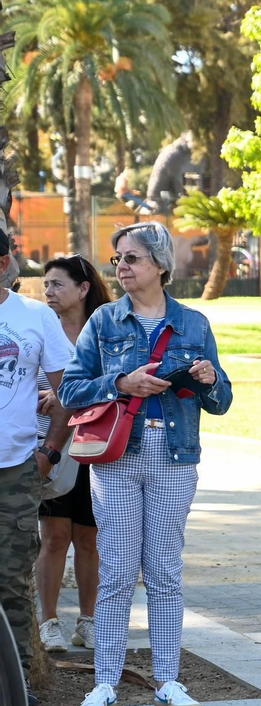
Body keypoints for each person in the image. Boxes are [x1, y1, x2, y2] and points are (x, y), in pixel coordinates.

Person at [60, 224, 232, 706]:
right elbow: (72, 390)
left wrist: (208, 378)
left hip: (174, 456)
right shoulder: (104, 322)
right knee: (115, 570)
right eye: (117, 259)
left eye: (132, 258)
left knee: (164, 571)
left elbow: (221, 402)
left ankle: (168, 680)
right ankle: (105, 682)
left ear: (159, 264)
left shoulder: (194, 324)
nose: (121, 267)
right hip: (116, 456)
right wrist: (121, 382)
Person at [0, 228, 72, 706]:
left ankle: (16, 682)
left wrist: (49, 450)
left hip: (15, 471)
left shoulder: (33, 316)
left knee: (10, 582)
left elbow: (68, 387)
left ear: (4, 260)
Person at [35, 256, 112, 656]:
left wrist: (67, 393)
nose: (48, 292)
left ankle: (89, 620)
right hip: (55, 445)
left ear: (83, 289)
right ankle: (48, 621)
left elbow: (117, 381)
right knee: (54, 538)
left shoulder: (105, 328)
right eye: (45, 285)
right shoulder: (40, 327)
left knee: (88, 537)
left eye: (57, 285)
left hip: (97, 444)